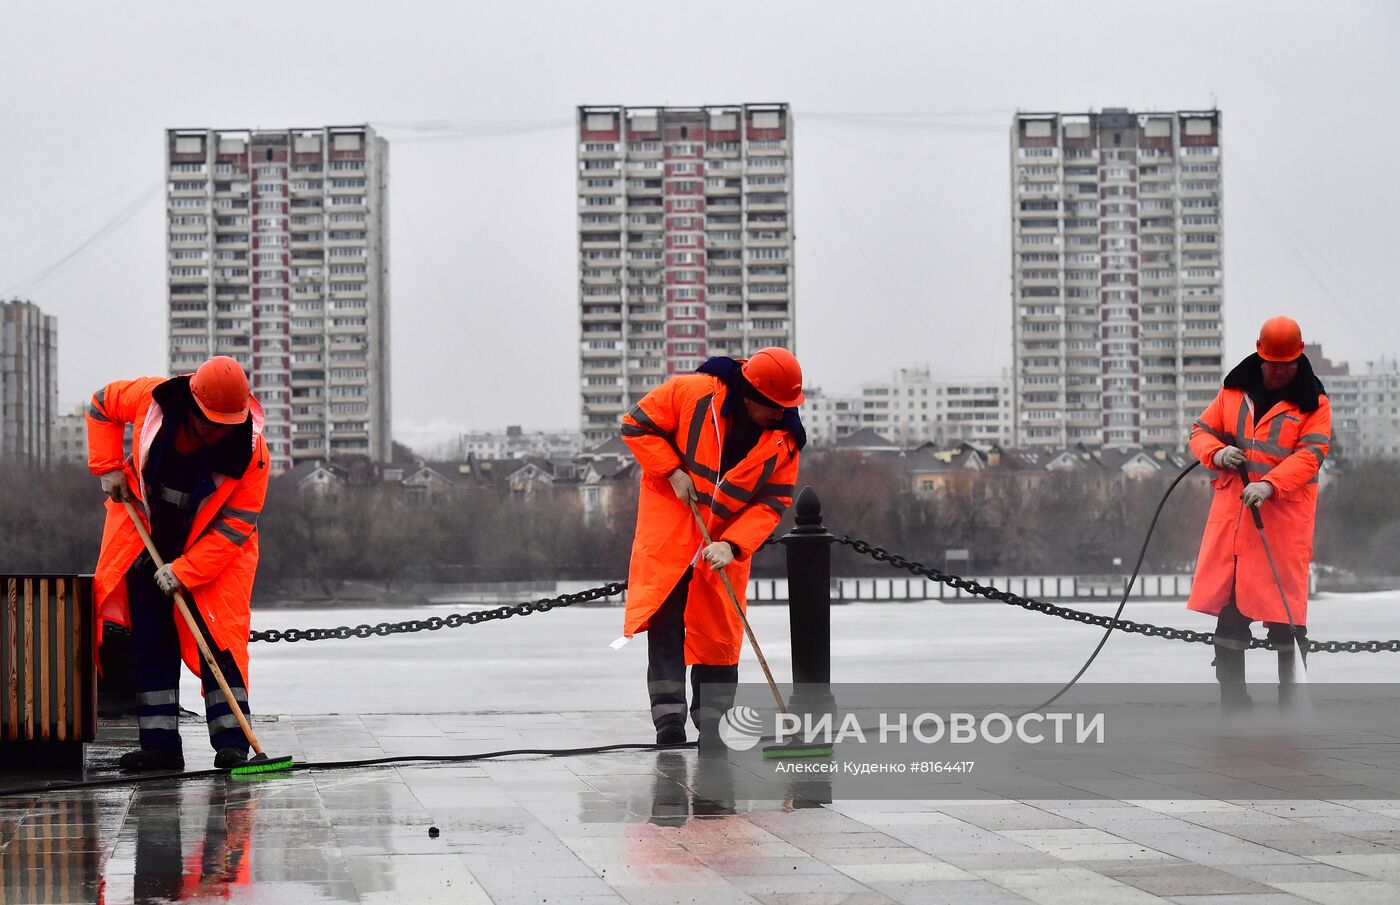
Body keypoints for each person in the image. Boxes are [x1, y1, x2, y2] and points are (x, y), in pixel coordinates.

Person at [87, 356, 270, 771]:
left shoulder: (252, 452)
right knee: (152, 642)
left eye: (227, 424)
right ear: (192, 404)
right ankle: (160, 747)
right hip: (146, 538)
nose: (217, 433)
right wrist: (108, 467)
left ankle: (233, 746)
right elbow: (100, 405)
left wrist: (184, 571)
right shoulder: (149, 399)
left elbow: (235, 528)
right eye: (210, 423)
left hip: (214, 553)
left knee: (221, 640)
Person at [620, 348, 806, 747]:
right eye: (773, 407)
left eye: (785, 408)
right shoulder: (692, 393)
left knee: (719, 635)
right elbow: (636, 425)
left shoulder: (784, 441)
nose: (780, 415)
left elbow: (772, 503)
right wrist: (671, 471)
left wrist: (733, 545)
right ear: (750, 396)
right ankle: (668, 723)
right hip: (671, 536)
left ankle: (714, 727)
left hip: (721, 548)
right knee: (666, 628)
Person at [1187, 316, 1331, 710]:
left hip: (1283, 527)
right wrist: (1216, 452)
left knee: (1287, 621)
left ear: (1299, 357)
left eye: (1288, 362)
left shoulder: (1314, 405)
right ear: (1260, 354)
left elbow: (1311, 455)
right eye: (1274, 362)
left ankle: (1292, 705)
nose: (1281, 369)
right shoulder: (1233, 393)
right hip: (1235, 526)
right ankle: (1234, 704)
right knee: (1231, 619)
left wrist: (1270, 484)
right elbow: (1200, 431)